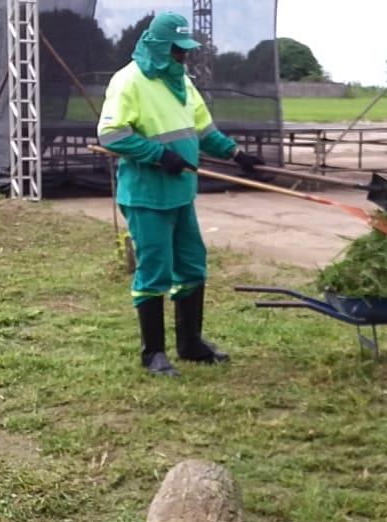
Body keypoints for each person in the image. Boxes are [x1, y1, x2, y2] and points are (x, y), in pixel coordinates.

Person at [97, 12, 264, 377]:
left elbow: (204, 130)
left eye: (185, 51)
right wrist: (159, 155)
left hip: (181, 194)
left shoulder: (184, 84)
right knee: (154, 269)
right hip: (146, 195)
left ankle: (191, 344)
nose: (182, 57)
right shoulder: (129, 81)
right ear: (158, 47)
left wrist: (236, 154)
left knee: (191, 266)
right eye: (177, 50)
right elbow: (111, 136)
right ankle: (153, 353)